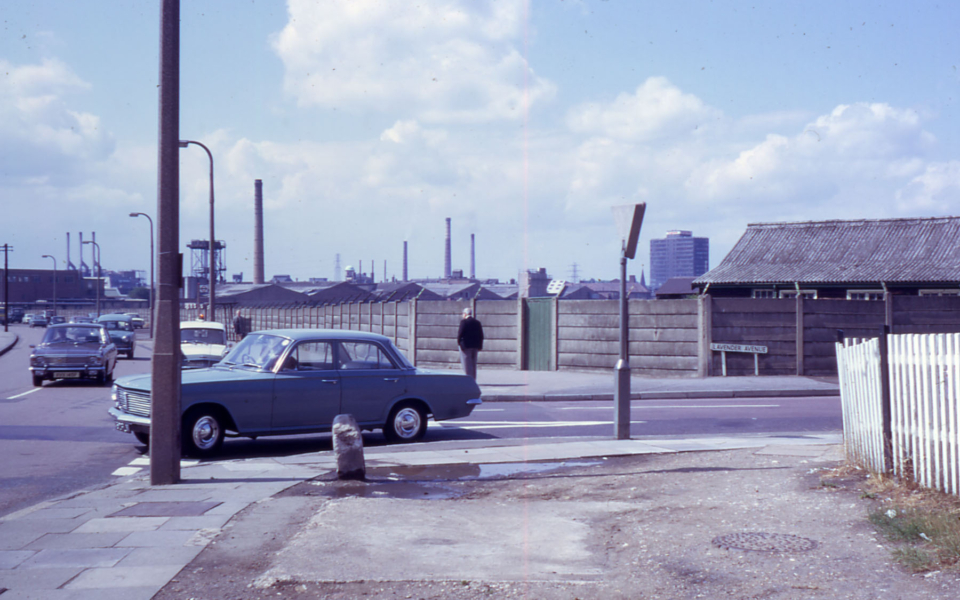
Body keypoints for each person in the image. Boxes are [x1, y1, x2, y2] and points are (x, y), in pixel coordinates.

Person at [457, 307, 483, 380]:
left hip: (466, 346)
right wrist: (480, 346)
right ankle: (473, 378)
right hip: (475, 346)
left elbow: (460, 333)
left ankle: (469, 378)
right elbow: (481, 335)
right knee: (473, 363)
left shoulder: (464, 322)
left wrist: (459, 343)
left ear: (465, 314)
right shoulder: (477, 322)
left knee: (466, 364)